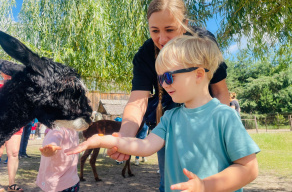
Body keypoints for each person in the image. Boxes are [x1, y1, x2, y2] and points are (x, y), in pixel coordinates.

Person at [66, 35, 260, 192]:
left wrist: (204, 186)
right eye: (160, 78)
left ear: (198, 75)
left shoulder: (224, 116)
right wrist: (102, 141)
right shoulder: (170, 118)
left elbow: (249, 169)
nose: (164, 85)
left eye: (169, 76)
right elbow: (144, 146)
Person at [107, 0, 230, 192]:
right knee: (172, 184)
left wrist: (219, 131)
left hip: (207, 126)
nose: (162, 39)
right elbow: (138, 101)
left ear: (185, 23)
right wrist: (126, 137)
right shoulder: (145, 55)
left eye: (170, 29)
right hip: (168, 127)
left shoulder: (203, 43)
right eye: (154, 30)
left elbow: (221, 92)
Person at [0, 71, 24, 192]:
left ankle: (12, 184)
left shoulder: (20, 87)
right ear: (1, 73)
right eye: (6, 71)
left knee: (14, 153)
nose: (9, 74)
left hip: (15, 124)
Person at [36, 126, 80, 192]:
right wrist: (52, 146)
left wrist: (51, 147)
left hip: (58, 184)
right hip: (72, 181)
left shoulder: (57, 129)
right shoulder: (73, 130)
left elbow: (53, 139)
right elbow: (53, 141)